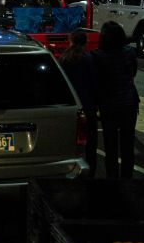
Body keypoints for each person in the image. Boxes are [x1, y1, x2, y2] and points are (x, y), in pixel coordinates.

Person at [91, 21, 139, 179]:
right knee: (128, 144)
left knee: (110, 146)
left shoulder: (97, 56)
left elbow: (96, 81)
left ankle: (112, 180)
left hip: (109, 104)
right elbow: (132, 73)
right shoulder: (129, 52)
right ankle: (128, 179)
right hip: (129, 102)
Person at [59, 29, 99, 178]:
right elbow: (94, 84)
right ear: (85, 42)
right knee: (90, 145)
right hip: (87, 105)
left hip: (71, 106)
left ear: (71, 41)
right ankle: (90, 174)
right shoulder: (88, 59)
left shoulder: (64, 59)